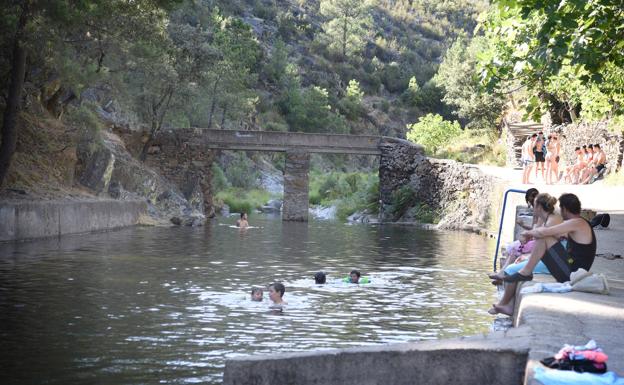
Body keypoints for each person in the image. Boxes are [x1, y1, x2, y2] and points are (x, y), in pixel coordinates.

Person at [494, 194, 596, 315]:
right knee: (543, 237)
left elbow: (545, 232)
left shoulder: (577, 223)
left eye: (560, 209)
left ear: (564, 209)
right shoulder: (579, 223)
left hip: (573, 273)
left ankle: (526, 272)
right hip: (572, 268)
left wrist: (528, 233)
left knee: (543, 237)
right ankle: (524, 275)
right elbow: (554, 235)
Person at [489, 193, 561, 284]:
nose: (531, 207)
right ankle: (503, 281)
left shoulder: (552, 219)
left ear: (538, 207)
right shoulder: (547, 218)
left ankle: (505, 289)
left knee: (511, 269)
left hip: (554, 261)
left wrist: (528, 233)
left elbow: (540, 235)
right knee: (511, 266)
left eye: (533, 205)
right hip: (549, 257)